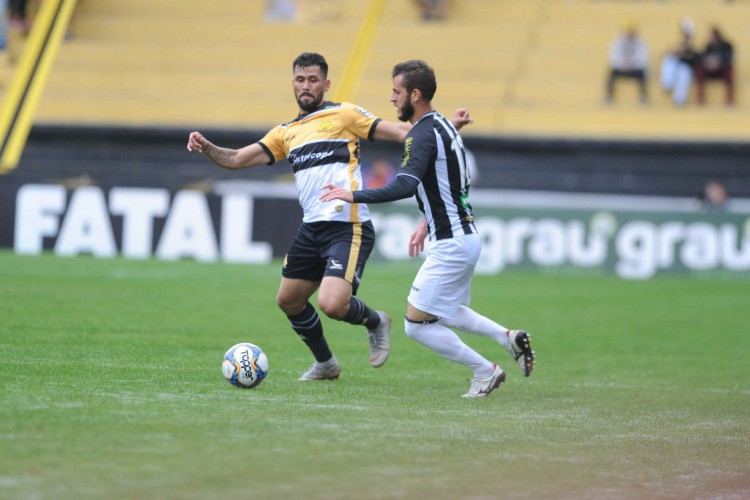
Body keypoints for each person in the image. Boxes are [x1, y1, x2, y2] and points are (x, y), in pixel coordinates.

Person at [187, 52, 472, 381]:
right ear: (293, 84)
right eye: (299, 79)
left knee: (333, 304)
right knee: (288, 300)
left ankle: (376, 321)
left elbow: (402, 132)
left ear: (326, 83)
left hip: (347, 227)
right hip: (311, 229)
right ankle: (326, 364)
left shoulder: (344, 114)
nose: (305, 86)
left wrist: (448, 127)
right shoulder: (285, 132)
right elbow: (236, 159)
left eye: (312, 80)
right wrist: (207, 147)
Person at [320, 60, 535, 398]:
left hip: (451, 243)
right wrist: (425, 222)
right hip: (463, 236)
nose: (391, 99)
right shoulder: (443, 127)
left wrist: (352, 194)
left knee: (416, 325)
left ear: (415, 94)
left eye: (396, 92)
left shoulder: (421, 135)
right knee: (445, 311)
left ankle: (485, 371)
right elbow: (449, 182)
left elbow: (404, 186)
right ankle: (506, 337)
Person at [604, 22, 649, 105]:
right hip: (621, 67)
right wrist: (622, 63)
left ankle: (643, 97)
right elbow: (613, 56)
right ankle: (608, 96)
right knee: (611, 73)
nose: (629, 34)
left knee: (643, 74)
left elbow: (644, 58)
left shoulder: (640, 43)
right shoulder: (618, 42)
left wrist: (632, 63)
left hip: (635, 68)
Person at [659, 18, 698, 107]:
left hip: (687, 67)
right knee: (668, 61)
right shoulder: (680, 44)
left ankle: (679, 99)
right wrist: (676, 52)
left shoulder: (692, 46)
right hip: (677, 64)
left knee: (683, 74)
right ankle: (667, 84)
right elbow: (669, 53)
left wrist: (684, 54)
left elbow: (693, 58)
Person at [695, 27, 734, 106]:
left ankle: (729, 99)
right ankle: (700, 98)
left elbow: (729, 59)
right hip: (710, 70)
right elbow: (701, 57)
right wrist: (708, 62)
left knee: (729, 71)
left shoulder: (727, 46)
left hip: (721, 70)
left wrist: (718, 62)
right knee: (699, 70)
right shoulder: (708, 46)